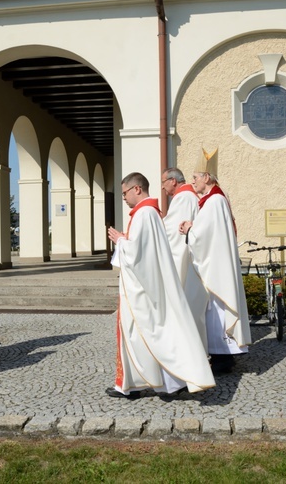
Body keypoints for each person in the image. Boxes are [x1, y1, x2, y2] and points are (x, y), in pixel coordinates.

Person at [106, 172, 214, 399]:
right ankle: (138, 384)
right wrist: (127, 240)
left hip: (142, 291)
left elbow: (138, 255)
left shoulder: (145, 214)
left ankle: (153, 385)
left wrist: (121, 241)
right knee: (146, 335)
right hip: (144, 285)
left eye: (125, 192)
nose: (123, 198)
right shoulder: (149, 213)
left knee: (146, 335)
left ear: (137, 189)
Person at [179, 149, 251, 374]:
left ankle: (222, 357)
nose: (193, 182)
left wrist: (190, 228)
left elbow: (204, 236)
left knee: (216, 311)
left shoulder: (215, 200)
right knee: (214, 311)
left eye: (196, 177)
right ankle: (222, 356)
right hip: (215, 263)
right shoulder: (213, 199)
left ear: (207, 178)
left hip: (216, 269)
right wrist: (194, 227)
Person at [161, 167, 208, 350]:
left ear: (173, 181)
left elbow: (173, 233)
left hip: (188, 261)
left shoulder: (183, 197)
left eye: (163, 182)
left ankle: (191, 352)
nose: (163, 188)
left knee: (189, 307)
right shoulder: (190, 196)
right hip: (196, 257)